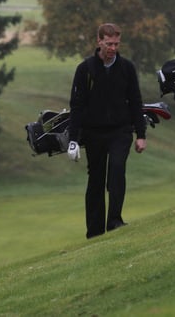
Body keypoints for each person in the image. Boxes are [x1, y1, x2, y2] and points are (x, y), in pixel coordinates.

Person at [66, 23, 147, 239]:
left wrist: (141, 135)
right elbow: (77, 106)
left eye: (116, 44)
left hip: (121, 131)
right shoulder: (86, 70)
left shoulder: (126, 68)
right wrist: (73, 140)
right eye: (109, 43)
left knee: (117, 170)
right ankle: (94, 232)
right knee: (96, 180)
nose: (113, 48)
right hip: (93, 134)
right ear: (99, 41)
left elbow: (135, 102)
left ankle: (115, 221)